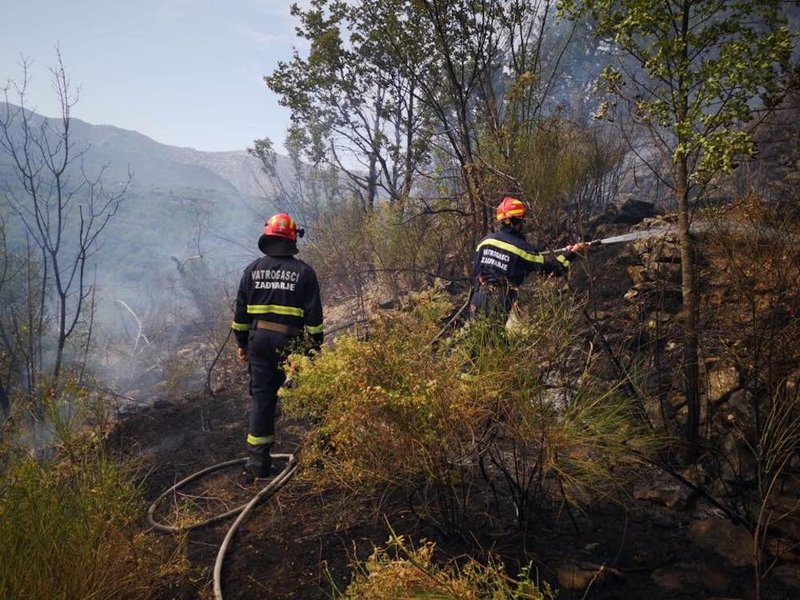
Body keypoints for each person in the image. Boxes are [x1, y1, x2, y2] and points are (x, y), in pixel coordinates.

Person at [231, 213, 324, 482]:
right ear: (293, 238)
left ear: (268, 236)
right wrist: (315, 350)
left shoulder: (252, 271)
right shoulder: (304, 273)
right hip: (292, 344)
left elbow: (240, 316)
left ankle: (258, 464)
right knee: (309, 392)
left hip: (259, 342)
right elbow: (315, 320)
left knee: (262, 399)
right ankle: (323, 450)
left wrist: (241, 344)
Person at [470, 196, 587, 322]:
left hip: (477, 297)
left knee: (475, 337)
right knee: (494, 340)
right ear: (519, 221)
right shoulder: (524, 249)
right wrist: (572, 252)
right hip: (500, 301)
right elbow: (555, 269)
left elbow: (474, 273)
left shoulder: (485, 241)